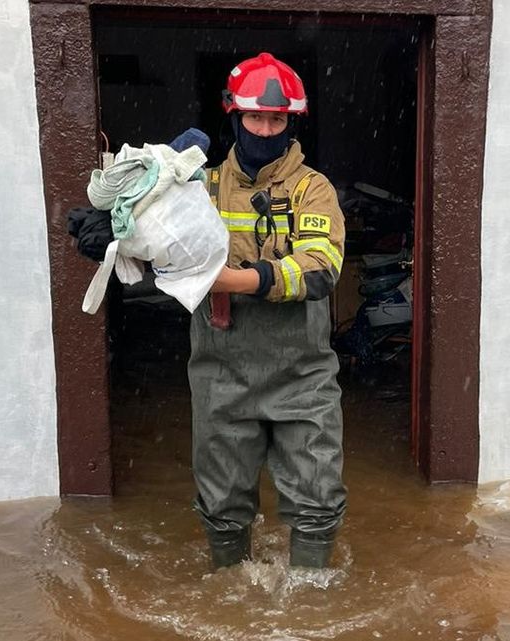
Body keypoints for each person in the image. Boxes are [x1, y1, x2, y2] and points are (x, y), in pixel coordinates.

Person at [193, 52, 347, 569]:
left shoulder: (312, 188)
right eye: (255, 117)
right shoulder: (201, 187)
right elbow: (160, 247)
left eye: (276, 119)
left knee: (317, 497)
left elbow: (321, 268)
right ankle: (229, 595)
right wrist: (117, 227)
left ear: (291, 122)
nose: (264, 128)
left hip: (301, 374)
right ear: (234, 116)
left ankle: (312, 603)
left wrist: (234, 279)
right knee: (221, 500)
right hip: (222, 371)